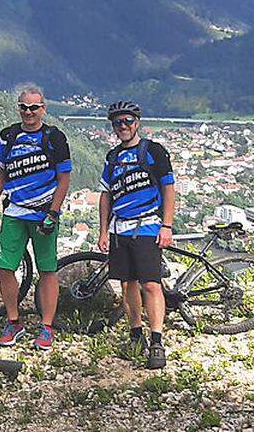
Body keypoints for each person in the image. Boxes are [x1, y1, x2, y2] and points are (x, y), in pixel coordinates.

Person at [0, 83, 73, 350]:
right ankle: (13, 321)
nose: (28, 112)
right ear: (18, 108)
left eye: (34, 107)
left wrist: (54, 212)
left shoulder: (54, 137)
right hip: (14, 212)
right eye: (24, 107)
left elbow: (64, 178)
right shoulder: (8, 136)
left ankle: (46, 326)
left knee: (47, 270)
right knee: (4, 267)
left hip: (44, 213)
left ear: (43, 109)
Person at [96, 101, 177, 370]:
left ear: (137, 122)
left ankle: (156, 340)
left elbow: (168, 189)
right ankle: (135, 334)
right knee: (128, 284)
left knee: (151, 284)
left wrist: (167, 225)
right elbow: (106, 195)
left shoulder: (153, 151)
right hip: (121, 229)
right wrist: (103, 229)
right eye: (117, 123)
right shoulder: (113, 157)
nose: (123, 127)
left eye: (127, 121)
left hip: (148, 226)